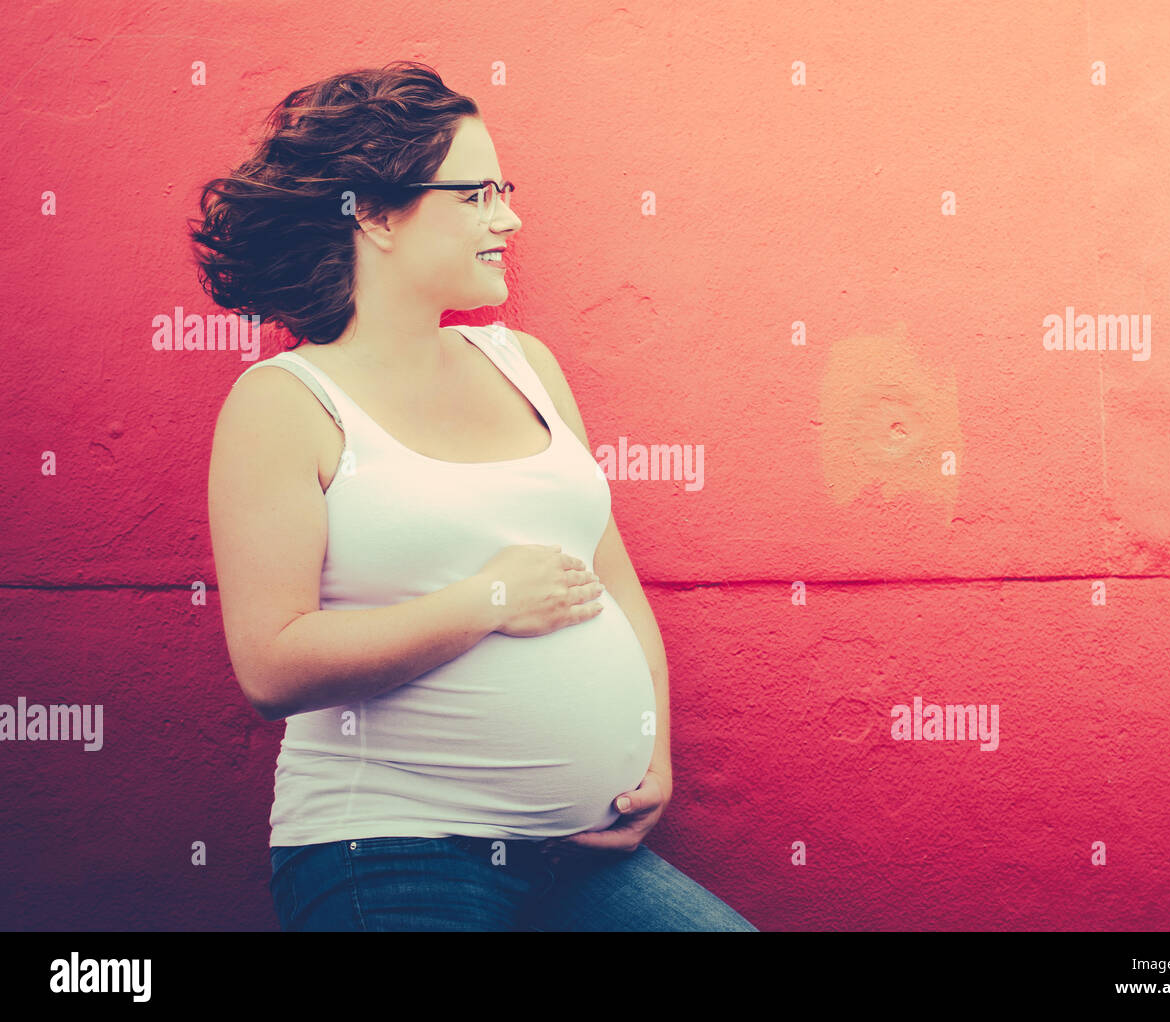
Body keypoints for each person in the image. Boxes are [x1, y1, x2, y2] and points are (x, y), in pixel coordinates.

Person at [194, 60, 757, 931]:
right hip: (389, 850)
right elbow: (272, 665)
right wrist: (488, 601)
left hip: (576, 851)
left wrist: (655, 751)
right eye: (476, 194)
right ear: (374, 214)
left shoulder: (526, 366)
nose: (510, 217)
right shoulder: (285, 403)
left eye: (506, 189)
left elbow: (612, 582)